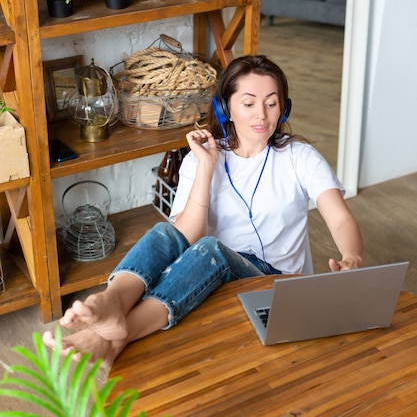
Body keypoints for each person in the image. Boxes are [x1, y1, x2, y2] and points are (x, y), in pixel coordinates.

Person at [43, 54, 363, 367]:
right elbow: (185, 234)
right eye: (249, 103)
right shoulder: (203, 158)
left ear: (284, 107)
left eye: (272, 102)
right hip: (206, 274)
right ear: (225, 109)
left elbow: (339, 217)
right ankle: (113, 302)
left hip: (273, 285)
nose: (262, 115)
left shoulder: (300, 156)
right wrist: (207, 167)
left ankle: (113, 335)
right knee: (164, 233)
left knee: (212, 250)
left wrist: (352, 256)